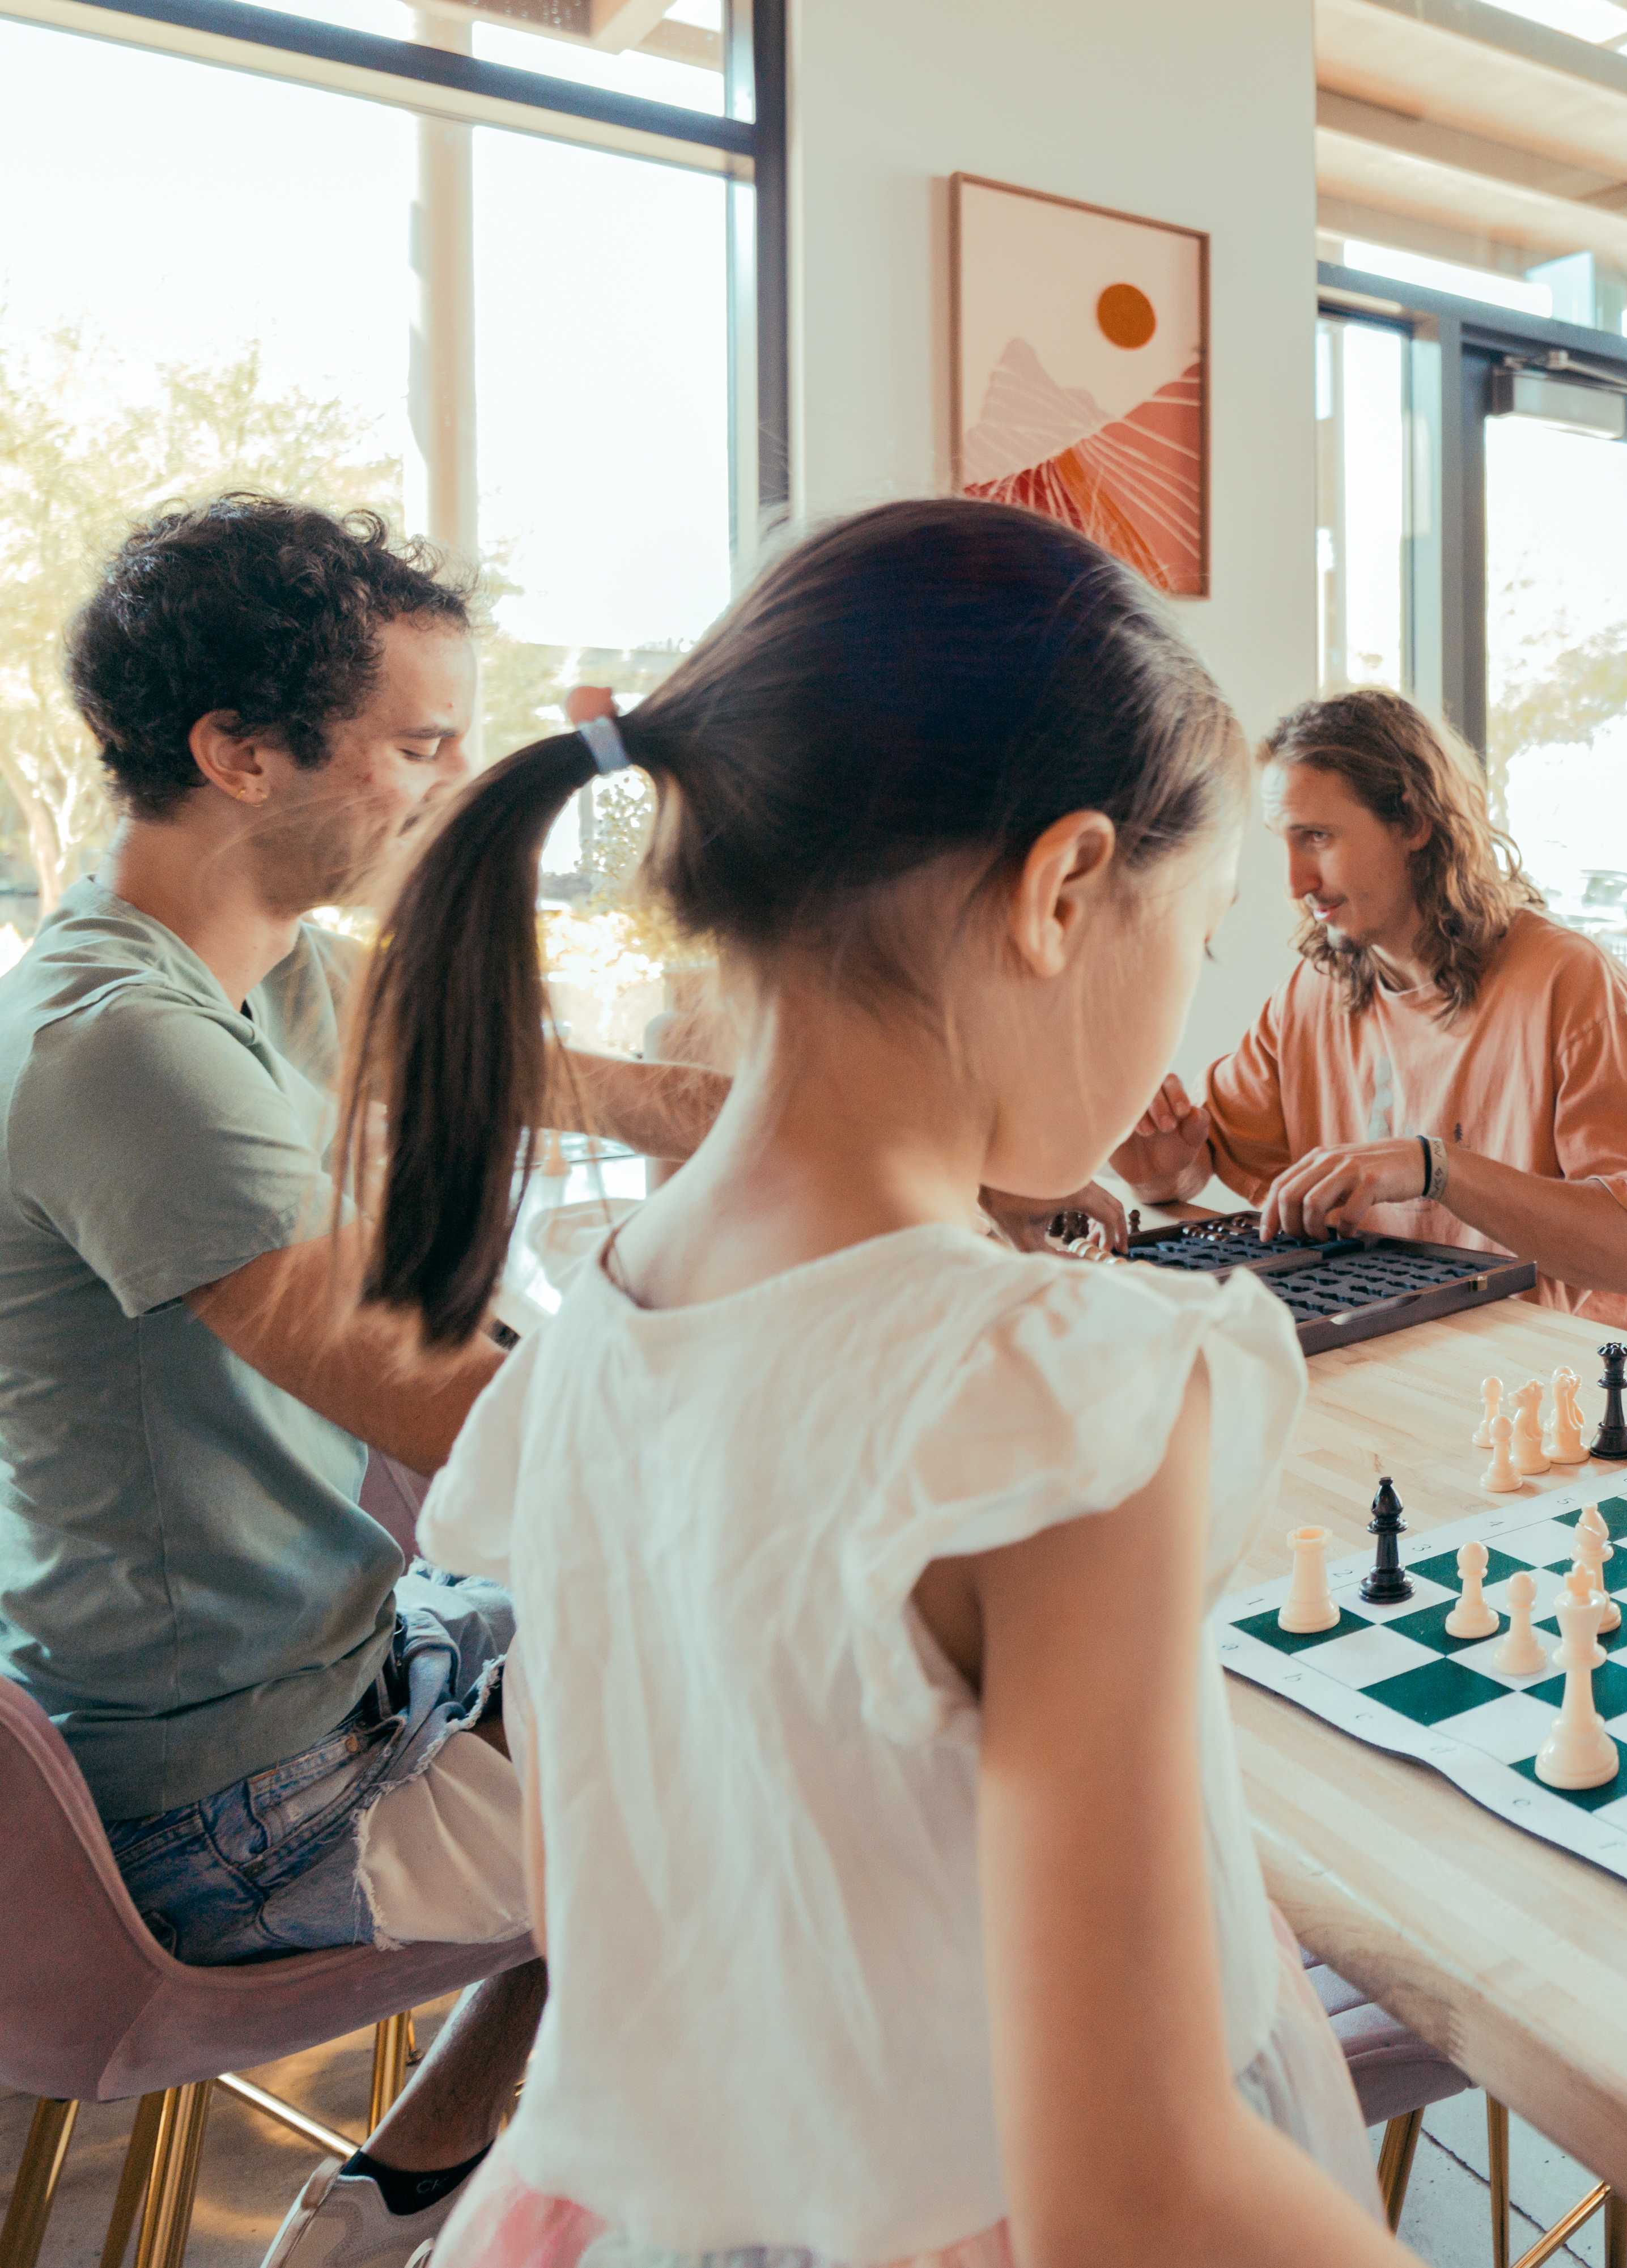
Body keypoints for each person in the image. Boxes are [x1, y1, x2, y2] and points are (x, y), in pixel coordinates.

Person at [345, 498, 1413, 2266]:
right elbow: (1137, 2196)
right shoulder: (1048, 1396)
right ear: (1068, 886)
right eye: (1202, 924)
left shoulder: (595, 1333)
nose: (1185, 1000)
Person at [0, 497, 722, 2265]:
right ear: (238, 751)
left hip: (336, 1677)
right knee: (774, 1771)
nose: (448, 784)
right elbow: (475, 1417)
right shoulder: (125, 1046)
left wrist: (933, 1146)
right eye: (418, 743)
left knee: (705, 1686)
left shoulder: (266, 974)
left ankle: (410, 2181)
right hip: (233, 1807)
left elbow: (604, 1085)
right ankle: (466, 2210)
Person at [1115, 687, 1627, 1334]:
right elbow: (1198, 1160)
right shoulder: (1315, 991)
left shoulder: (1570, 981)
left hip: (1548, 1389)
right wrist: (1159, 1168)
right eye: (1285, 841)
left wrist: (1433, 1167)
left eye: (1319, 838)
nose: (1295, 882)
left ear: (1415, 823)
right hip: (1389, 1366)